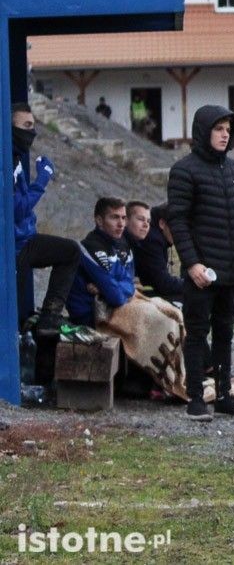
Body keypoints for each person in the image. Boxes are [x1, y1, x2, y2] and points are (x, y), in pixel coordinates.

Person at [167, 105, 234, 422]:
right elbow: (177, 222)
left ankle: (223, 396)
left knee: (224, 332)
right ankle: (196, 398)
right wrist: (191, 264)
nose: (224, 134)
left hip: (233, 270)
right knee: (196, 334)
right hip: (202, 273)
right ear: (203, 131)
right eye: (218, 129)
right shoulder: (184, 171)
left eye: (227, 129)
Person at [11, 102, 82, 385]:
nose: (33, 131)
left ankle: (50, 318)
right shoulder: (7, 159)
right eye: (26, 126)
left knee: (70, 251)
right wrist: (43, 178)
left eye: (33, 125)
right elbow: (17, 208)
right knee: (14, 317)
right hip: (12, 249)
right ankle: (19, 377)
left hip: (25, 239)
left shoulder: (17, 157)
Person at [66, 197, 137, 328]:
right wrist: (113, 289)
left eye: (123, 218)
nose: (121, 224)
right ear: (99, 220)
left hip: (105, 309)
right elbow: (116, 298)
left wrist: (103, 289)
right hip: (89, 315)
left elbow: (129, 283)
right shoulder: (93, 248)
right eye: (115, 217)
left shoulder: (110, 244)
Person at [125, 201, 185, 304]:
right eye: (176, 227)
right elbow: (163, 284)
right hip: (133, 295)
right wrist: (190, 284)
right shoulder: (152, 240)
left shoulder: (158, 237)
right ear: (162, 224)